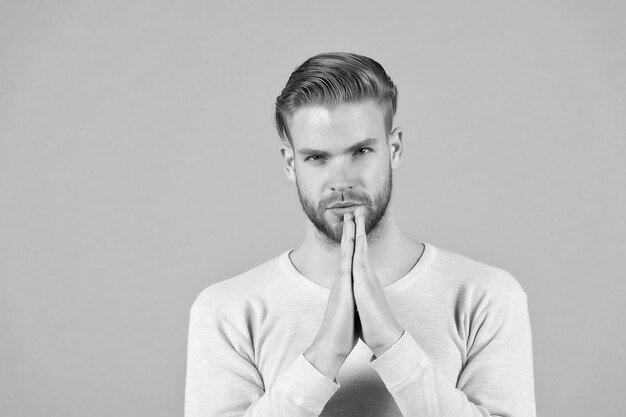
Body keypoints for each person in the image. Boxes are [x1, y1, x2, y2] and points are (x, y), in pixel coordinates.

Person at [184, 52, 536, 417]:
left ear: (394, 148)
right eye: (317, 158)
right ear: (290, 163)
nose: (342, 181)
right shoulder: (228, 311)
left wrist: (391, 343)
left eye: (361, 151)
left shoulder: (485, 296)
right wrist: (324, 355)